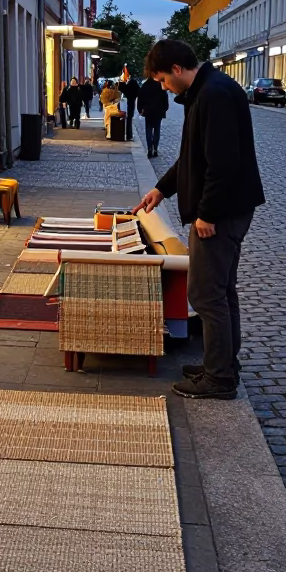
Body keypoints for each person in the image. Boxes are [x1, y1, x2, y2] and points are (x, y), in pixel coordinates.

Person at [134, 38, 265, 401]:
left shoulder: (213, 95)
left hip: (222, 212)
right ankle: (222, 364)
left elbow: (223, 164)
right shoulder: (208, 90)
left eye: (163, 80)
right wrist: (161, 189)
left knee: (206, 293)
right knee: (221, 290)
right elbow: (193, 157)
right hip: (229, 208)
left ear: (176, 69)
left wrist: (207, 213)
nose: (164, 87)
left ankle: (219, 377)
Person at [137, 72, 169, 158]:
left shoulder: (145, 85)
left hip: (148, 111)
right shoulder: (160, 85)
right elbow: (165, 98)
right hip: (158, 111)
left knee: (148, 130)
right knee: (157, 130)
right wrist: (164, 109)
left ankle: (149, 149)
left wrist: (140, 109)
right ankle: (155, 149)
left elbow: (140, 98)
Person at [119, 68, 140, 141]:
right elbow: (138, 92)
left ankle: (128, 134)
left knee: (128, 118)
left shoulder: (128, 83)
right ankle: (128, 135)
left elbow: (121, 89)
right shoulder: (132, 83)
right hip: (130, 102)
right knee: (129, 119)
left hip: (128, 102)